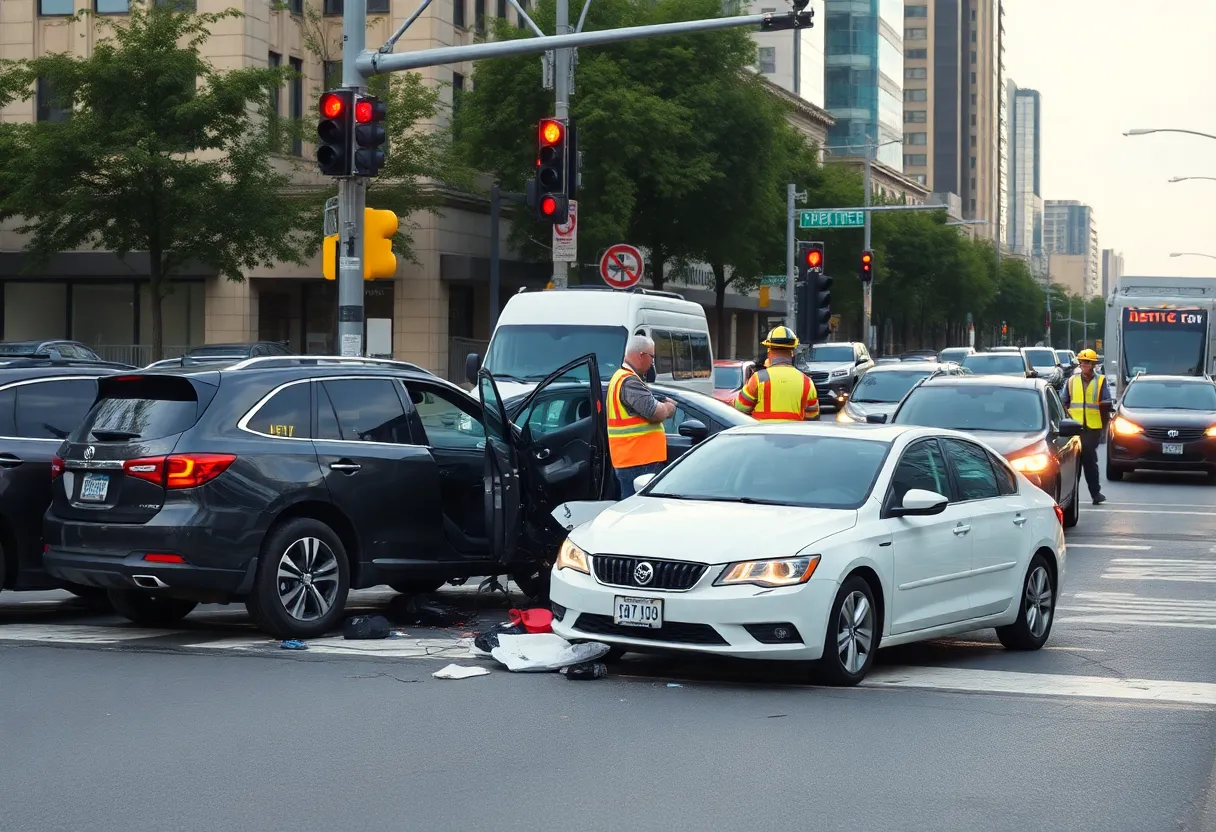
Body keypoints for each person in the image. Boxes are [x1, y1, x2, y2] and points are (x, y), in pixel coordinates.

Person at [606, 334, 676, 498]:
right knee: (640, 511)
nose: (652, 362)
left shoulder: (620, 378)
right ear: (641, 355)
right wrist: (669, 407)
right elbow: (654, 412)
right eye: (652, 357)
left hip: (632, 459)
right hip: (639, 461)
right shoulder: (629, 381)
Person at [734, 326, 820, 421]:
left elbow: (740, 407)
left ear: (769, 351)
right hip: (794, 434)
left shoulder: (759, 378)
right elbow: (813, 416)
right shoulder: (806, 381)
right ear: (792, 352)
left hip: (763, 434)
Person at [1061, 348, 1110, 505]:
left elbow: (1106, 401)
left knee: (1088, 458)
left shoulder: (1101, 381)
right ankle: (1071, 495)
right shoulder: (1071, 381)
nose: (1084, 365)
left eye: (1087, 362)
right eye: (1082, 362)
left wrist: (1105, 420)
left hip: (1092, 428)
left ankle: (1095, 493)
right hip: (1074, 428)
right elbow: (1064, 401)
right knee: (1075, 461)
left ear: (1093, 364)